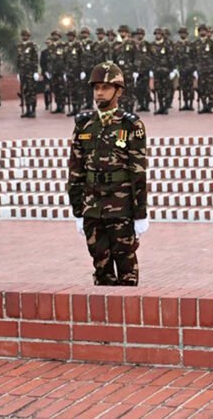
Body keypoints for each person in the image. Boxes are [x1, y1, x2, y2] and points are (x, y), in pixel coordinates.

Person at [67, 62, 148, 286]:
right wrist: (77, 211)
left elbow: (138, 171)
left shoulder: (131, 125)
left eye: (105, 87)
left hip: (120, 206)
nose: (99, 93)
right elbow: (75, 170)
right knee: (101, 268)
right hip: (93, 206)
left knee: (126, 268)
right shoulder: (84, 124)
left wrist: (140, 213)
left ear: (118, 91)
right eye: (96, 88)